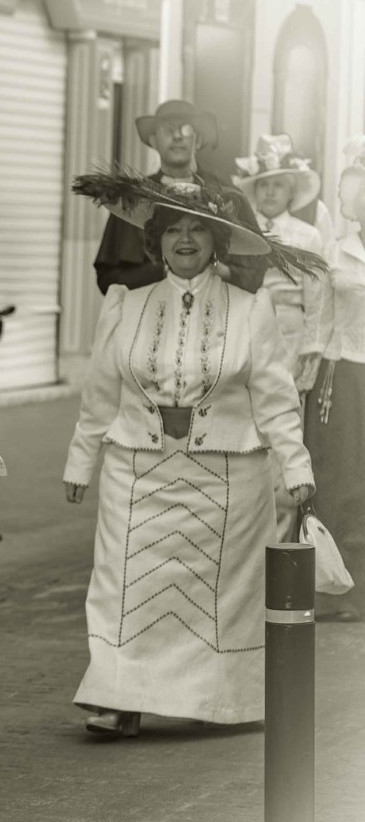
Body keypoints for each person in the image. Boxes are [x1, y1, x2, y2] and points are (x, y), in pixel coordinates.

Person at [65, 172, 318, 736]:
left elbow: (276, 399)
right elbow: (100, 392)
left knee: (218, 598)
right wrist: (80, 460)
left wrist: (296, 466)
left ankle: (217, 699)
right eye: (173, 229)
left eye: (197, 230)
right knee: (124, 586)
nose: (184, 239)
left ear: (217, 242)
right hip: (136, 471)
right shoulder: (125, 304)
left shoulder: (251, 310)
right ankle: (118, 698)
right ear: (154, 241)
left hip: (227, 479)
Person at [233, 133, 332, 540]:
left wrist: (310, 353)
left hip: (289, 336)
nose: (270, 192)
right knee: (245, 434)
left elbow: (318, 300)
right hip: (245, 336)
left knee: (283, 437)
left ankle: (281, 540)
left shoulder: (307, 236)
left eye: (278, 185)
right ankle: (244, 534)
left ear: (291, 192)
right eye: (264, 185)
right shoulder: (241, 232)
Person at [94, 99, 268, 295]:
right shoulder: (133, 199)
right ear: (153, 141)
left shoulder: (228, 196)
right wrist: (166, 270)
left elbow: (254, 276)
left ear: (198, 140)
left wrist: (217, 270)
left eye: (186, 129)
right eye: (167, 130)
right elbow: (107, 280)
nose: (177, 136)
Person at [306, 148, 365, 623]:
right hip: (342, 375)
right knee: (341, 478)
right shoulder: (335, 253)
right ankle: (338, 590)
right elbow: (319, 321)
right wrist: (307, 380)